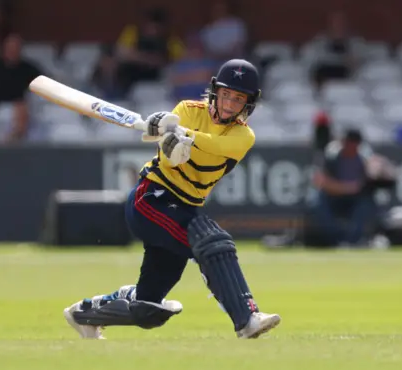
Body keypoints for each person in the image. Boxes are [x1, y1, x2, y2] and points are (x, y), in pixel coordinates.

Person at [63, 59, 281, 339]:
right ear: (215, 92)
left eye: (238, 99)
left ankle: (83, 314)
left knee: (148, 309)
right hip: (152, 200)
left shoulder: (243, 136)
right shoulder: (186, 111)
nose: (229, 104)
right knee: (213, 241)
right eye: (226, 95)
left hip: (183, 209)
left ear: (248, 104)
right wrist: (169, 140)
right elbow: (171, 159)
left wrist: (182, 134)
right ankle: (247, 318)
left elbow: (215, 145)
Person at [312, 129, 375, 247]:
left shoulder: (365, 158)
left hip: (356, 198)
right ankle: (335, 240)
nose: (350, 147)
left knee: (366, 204)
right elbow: (320, 181)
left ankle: (353, 241)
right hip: (333, 196)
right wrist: (348, 188)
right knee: (317, 202)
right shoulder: (331, 155)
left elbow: (371, 179)